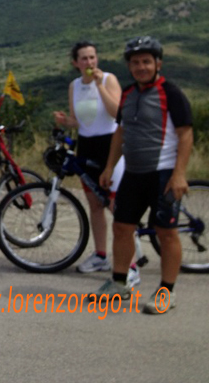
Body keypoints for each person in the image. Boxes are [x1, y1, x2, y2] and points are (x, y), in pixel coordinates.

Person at [91, 36, 193, 314]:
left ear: (158, 63)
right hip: (134, 173)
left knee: (165, 232)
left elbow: (185, 134)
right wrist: (110, 167)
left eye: (146, 61)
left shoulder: (170, 93)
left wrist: (180, 174)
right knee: (122, 226)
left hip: (164, 174)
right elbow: (121, 132)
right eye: (135, 63)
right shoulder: (127, 93)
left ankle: (165, 293)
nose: (141, 67)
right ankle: (119, 283)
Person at [52, 41, 137, 285]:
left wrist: (99, 85)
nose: (89, 63)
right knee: (95, 204)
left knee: (117, 206)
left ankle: (129, 263)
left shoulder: (108, 79)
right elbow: (80, 121)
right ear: (75, 63)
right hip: (86, 146)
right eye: (84, 59)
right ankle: (101, 255)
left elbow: (116, 113)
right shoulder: (74, 85)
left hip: (110, 146)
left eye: (92, 57)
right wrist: (64, 121)